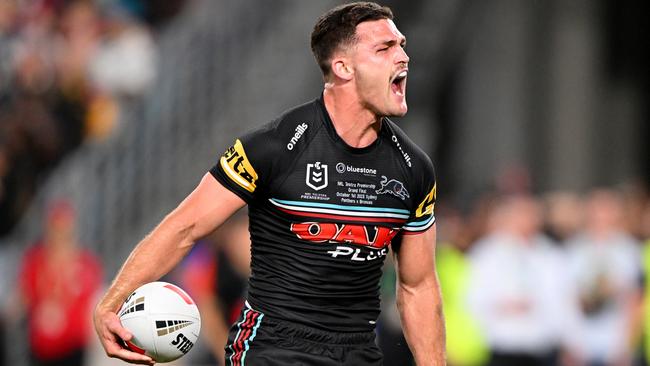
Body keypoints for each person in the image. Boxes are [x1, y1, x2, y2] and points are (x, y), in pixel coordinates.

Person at [93, 2, 445, 365]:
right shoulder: (273, 147)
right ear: (343, 67)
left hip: (356, 353)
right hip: (273, 350)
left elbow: (418, 287)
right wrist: (113, 300)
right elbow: (186, 226)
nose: (403, 56)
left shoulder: (413, 168)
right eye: (385, 48)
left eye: (401, 44)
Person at [19, 200, 103, 366]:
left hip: (73, 348)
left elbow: (93, 306)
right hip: (42, 349)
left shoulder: (86, 263)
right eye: (55, 228)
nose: (59, 234)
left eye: (63, 228)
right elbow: (23, 297)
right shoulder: (35, 261)